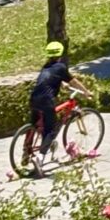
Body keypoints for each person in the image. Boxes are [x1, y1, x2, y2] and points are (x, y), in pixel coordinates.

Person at [29, 40, 87, 168]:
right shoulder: (61, 67)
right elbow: (74, 82)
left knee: (35, 125)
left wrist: (62, 83)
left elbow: (51, 79)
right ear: (61, 53)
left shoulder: (46, 66)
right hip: (46, 100)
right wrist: (86, 92)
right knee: (51, 129)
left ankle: (27, 151)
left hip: (34, 98)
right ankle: (40, 158)